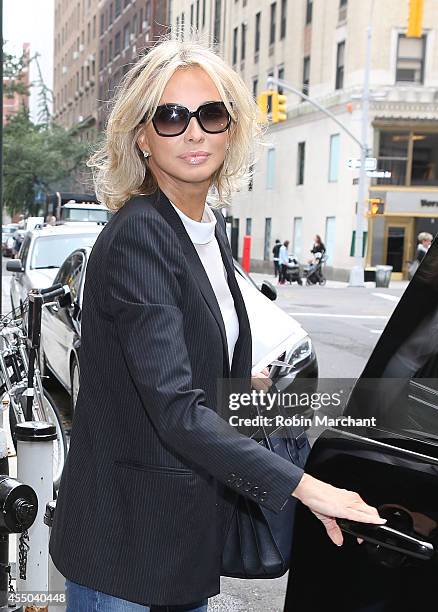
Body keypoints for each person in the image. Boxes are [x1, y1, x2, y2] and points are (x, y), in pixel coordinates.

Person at [48, 36, 385, 612]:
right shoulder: (140, 234)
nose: (195, 131)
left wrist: (237, 381)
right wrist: (309, 489)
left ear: (232, 128)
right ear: (142, 136)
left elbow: (177, 365)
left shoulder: (204, 228)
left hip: (177, 536)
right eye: (172, 116)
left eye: (210, 113)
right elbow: (175, 409)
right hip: (126, 546)